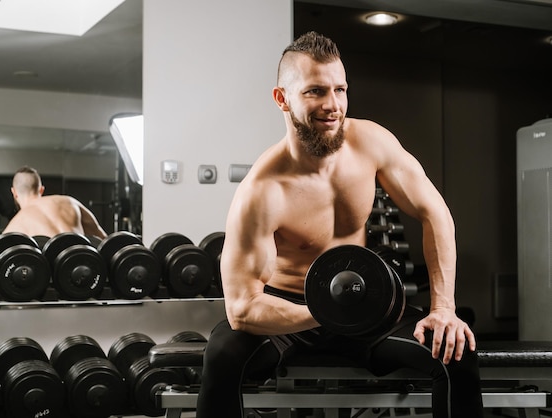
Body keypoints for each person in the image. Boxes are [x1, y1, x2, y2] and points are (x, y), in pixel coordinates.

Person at [197, 32, 483, 418]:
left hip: (366, 304)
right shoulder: (262, 191)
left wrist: (443, 307)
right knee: (222, 356)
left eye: (340, 89)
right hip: (288, 311)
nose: (333, 106)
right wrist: (328, 312)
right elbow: (242, 310)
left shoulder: (371, 143)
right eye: (315, 91)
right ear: (282, 98)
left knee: (455, 353)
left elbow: (436, 213)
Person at [2, 166, 108, 239]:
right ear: (41, 190)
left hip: (53, 270)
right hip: (82, 263)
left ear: (14, 192)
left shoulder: (15, 225)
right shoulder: (69, 202)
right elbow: (104, 240)